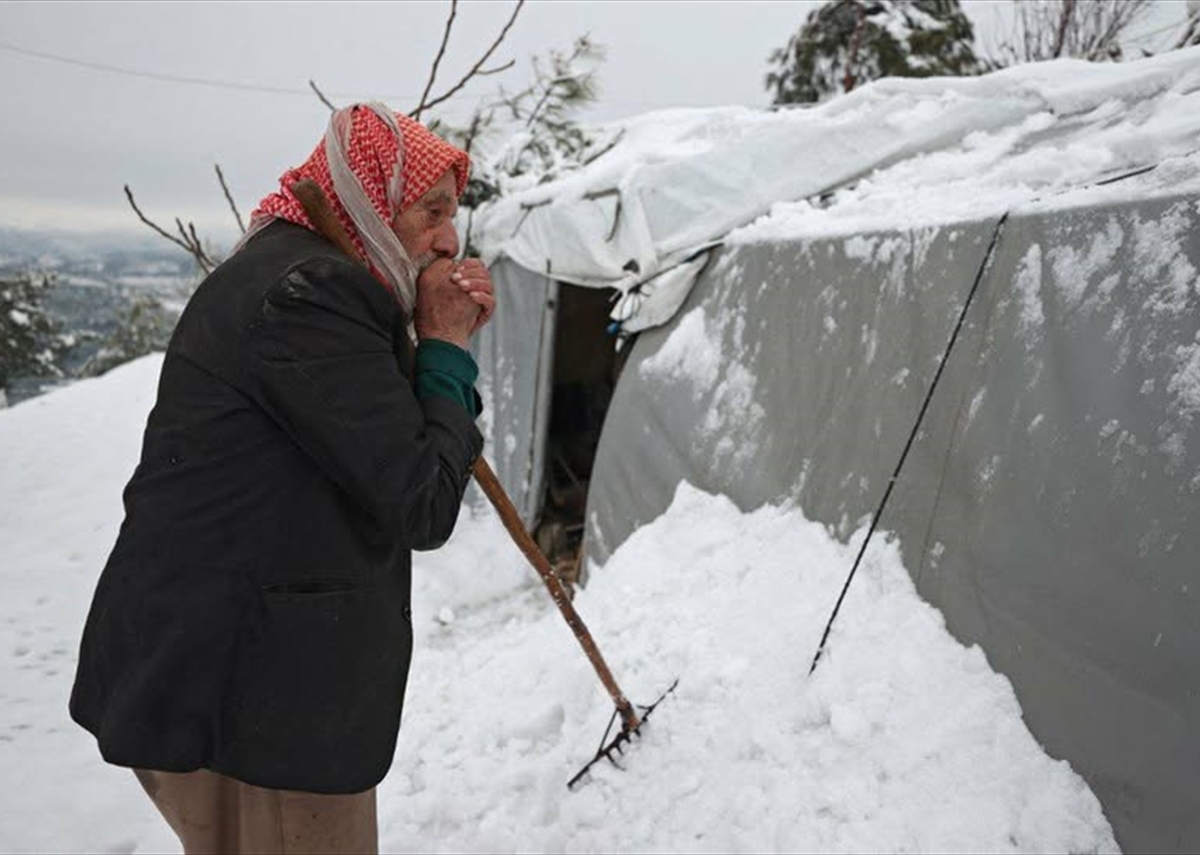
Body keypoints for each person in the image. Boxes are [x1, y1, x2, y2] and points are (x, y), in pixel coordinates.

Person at [69, 102, 495, 854]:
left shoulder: (296, 273)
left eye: (451, 214)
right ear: (368, 196)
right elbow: (422, 499)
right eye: (430, 211)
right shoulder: (310, 296)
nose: (448, 238)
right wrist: (447, 348)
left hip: (240, 671)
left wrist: (431, 348)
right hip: (247, 694)